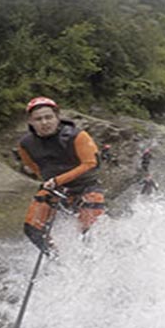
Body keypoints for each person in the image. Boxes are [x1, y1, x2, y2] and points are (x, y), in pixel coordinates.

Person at [17, 97, 105, 254]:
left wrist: (57, 180)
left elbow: (90, 163)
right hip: (54, 189)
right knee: (33, 230)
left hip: (85, 187)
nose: (44, 122)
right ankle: (56, 260)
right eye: (38, 119)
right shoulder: (26, 144)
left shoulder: (77, 136)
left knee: (89, 231)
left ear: (57, 117)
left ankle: (93, 263)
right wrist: (50, 182)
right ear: (30, 121)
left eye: (48, 117)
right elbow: (32, 166)